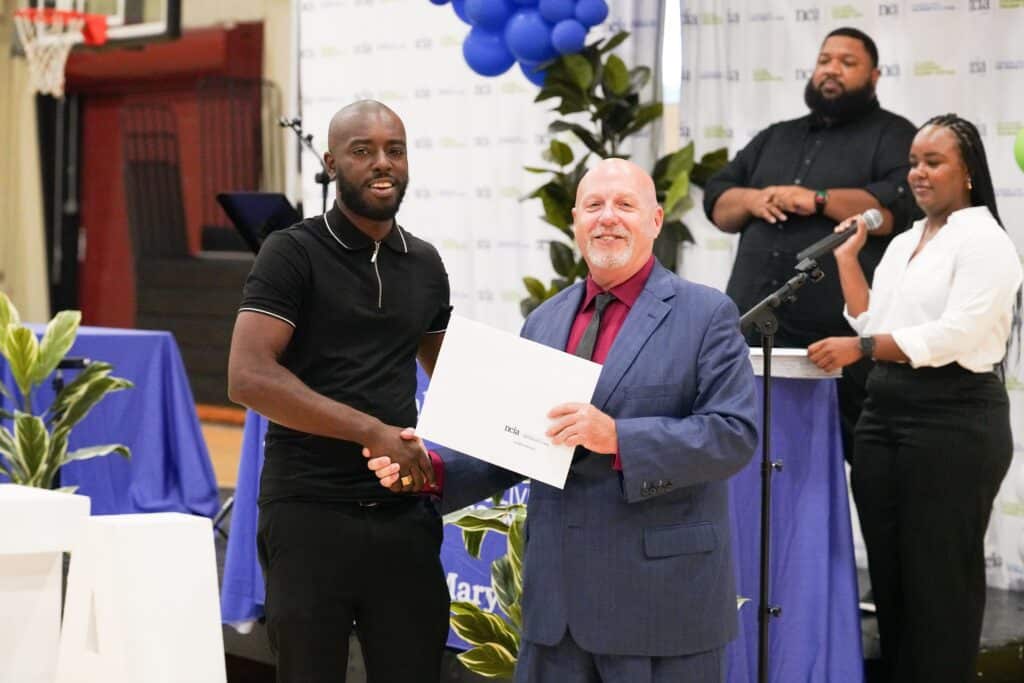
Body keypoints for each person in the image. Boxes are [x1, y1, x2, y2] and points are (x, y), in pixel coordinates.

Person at [366, 158, 760, 683]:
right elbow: (520, 444)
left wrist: (616, 437)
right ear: (574, 220)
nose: (608, 218)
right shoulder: (545, 320)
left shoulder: (707, 313)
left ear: (656, 220)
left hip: (661, 609)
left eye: (625, 205)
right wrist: (432, 470)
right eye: (594, 205)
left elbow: (733, 436)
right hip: (557, 617)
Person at [226, 100, 452, 683]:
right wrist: (371, 431)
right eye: (363, 150)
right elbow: (248, 376)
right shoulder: (292, 251)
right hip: (307, 512)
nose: (383, 164)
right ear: (330, 162)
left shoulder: (425, 263)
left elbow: (453, 375)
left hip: (403, 519)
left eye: (394, 150)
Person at [808, 114, 1021, 682]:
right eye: (913, 163)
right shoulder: (904, 241)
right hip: (885, 415)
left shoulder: (985, 241)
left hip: (952, 421)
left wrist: (863, 345)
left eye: (934, 162)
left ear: (968, 172)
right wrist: (848, 261)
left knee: (939, 583)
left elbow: (957, 334)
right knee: (893, 577)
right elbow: (876, 319)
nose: (918, 174)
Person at [703, 27, 918, 460]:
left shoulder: (892, 134)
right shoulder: (776, 135)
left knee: (862, 461)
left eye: (846, 62)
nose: (831, 70)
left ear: (874, 76)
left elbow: (894, 207)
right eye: (825, 60)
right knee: (745, 459)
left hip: (836, 340)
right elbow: (718, 202)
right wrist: (755, 198)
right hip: (752, 327)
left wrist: (817, 200)